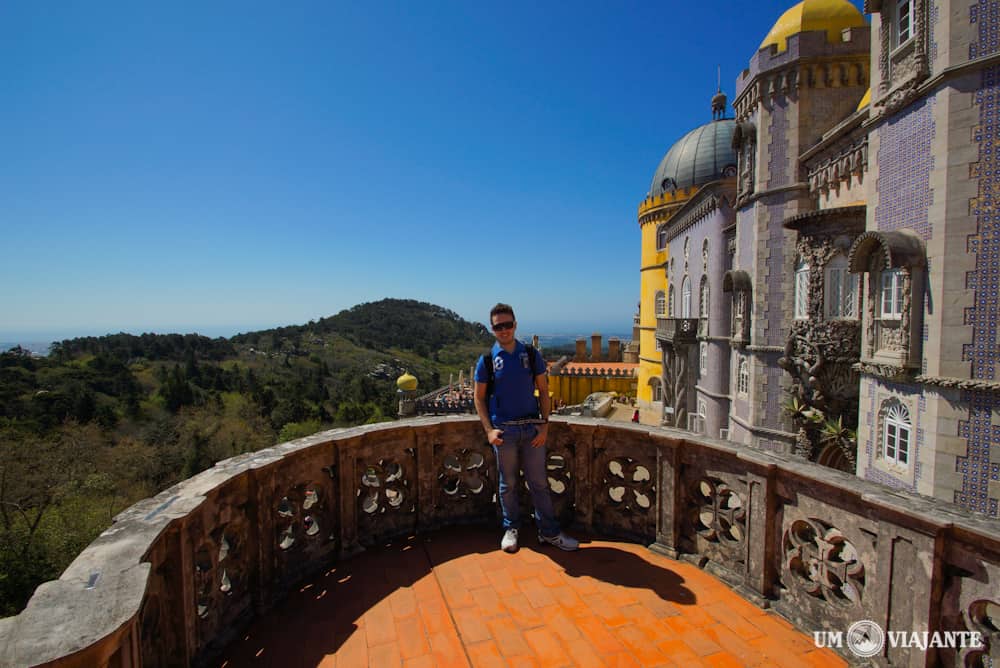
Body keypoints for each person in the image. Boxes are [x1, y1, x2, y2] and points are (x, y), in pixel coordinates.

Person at [474, 303, 579, 553]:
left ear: (515, 325)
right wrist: (489, 430)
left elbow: (543, 391)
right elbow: (479, 398)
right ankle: (511, 529)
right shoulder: (487, 361)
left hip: (531, 430)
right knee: (507, 483)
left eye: (508, 325)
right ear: (492, 329)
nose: (504, 330)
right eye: (499, 326)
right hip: (505, 432)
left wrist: (544, 426)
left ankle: (549, 532)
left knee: (539, 483)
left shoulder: (531, 355)